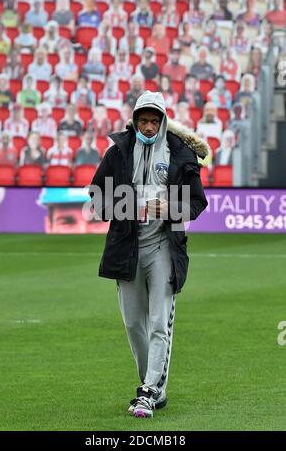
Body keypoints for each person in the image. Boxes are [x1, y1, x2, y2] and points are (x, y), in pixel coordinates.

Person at [89, 90, 208, 418]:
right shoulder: (119, 150)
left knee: (159, 322)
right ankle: (153, 385)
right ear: (135, 120)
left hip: (163, 249)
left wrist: (171, 207)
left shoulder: (180, 153)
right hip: (126, 248)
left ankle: (148, 390)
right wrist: (126, 206)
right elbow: (96, 196)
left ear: (164, 121)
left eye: (155, 120)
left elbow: (197, 203)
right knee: (132, 324)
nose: (150, 126)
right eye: (144, 120)